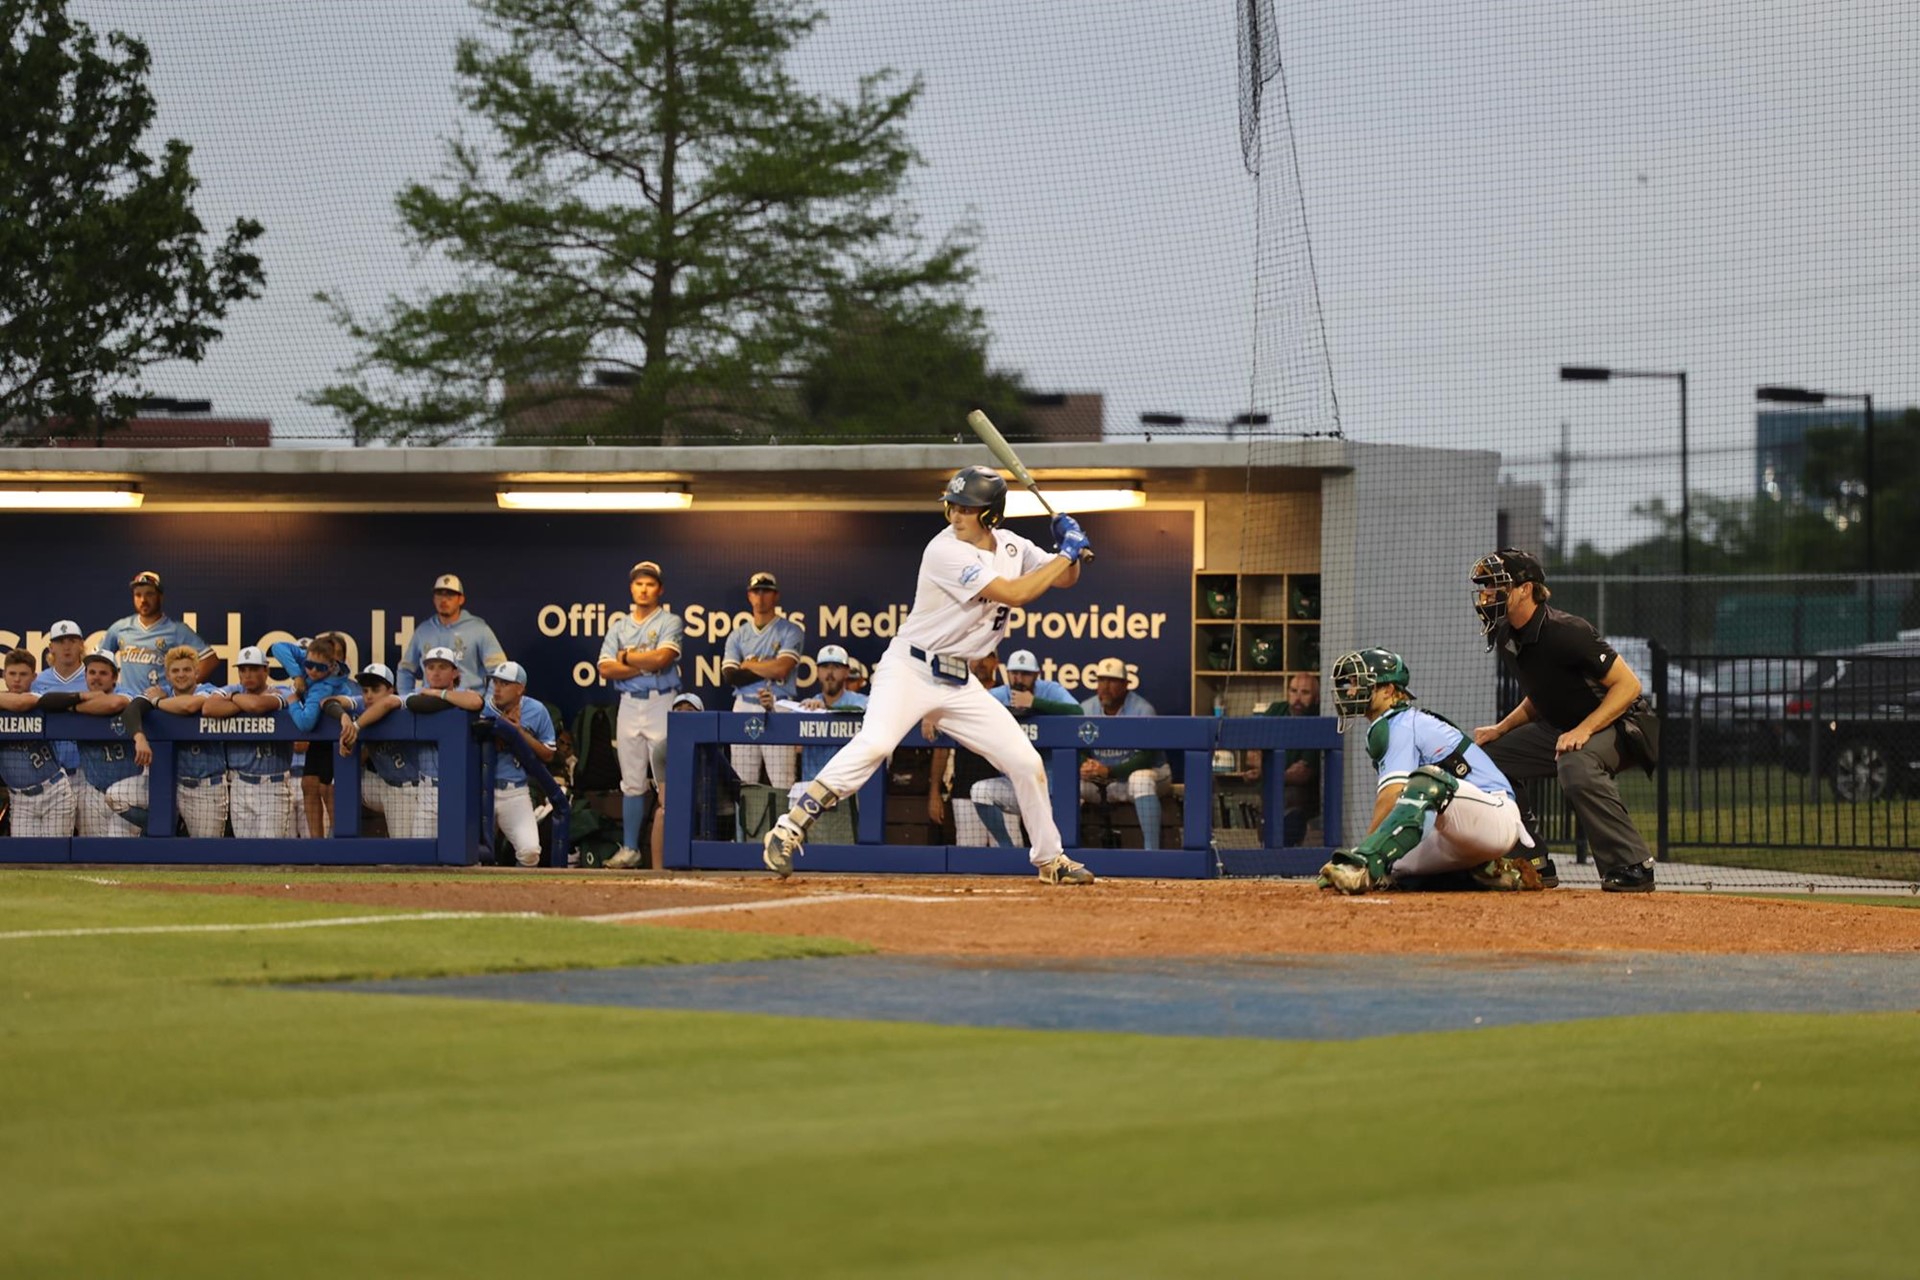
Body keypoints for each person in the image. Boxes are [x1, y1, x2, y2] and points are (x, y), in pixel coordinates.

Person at [761, 464, 1096, 885]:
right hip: (910, 668)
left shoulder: (1013, 546)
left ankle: (1050, 859)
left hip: (959, 681)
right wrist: (1067, 552)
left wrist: (1070, 548)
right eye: (952, 506)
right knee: (876, 743)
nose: (955, 514)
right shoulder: (944, 550)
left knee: (1026, 762)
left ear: (990, 514)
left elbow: (1065, 579)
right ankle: (788, 828)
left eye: (966, 508)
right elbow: (1016, 593)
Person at [1469, 548, 1657, 893]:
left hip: (1624, 724)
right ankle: (1531, 862)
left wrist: (1584, 729)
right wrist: (1501, 729)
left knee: (1575, 762)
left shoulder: (1566, 631)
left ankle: (1632, 865)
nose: (1487, 594)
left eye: (1495, 585)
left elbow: (1629, 686)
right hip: (1563, 728)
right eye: (1485, 587)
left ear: (1525, 589)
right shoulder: (1507, 634)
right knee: (1485, 759)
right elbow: (1541, 695)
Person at [1317, 648, 1539, 895]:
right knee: (1392, 865)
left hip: (1494, 815)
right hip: (1454, 832)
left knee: (1426, 784)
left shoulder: (1401, 724)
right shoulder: (1390, 725)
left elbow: (1391, 795)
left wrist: (1361, 857)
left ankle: (1365, 865)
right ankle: (1487, 873)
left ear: (1388, 690)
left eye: (1358, 683)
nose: (1350, 691)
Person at [597, 560, 684, 870]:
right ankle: (630, 848)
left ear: (659, 589)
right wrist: (641, 665)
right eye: (639, 583)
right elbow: (605, 668)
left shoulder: (670, 621)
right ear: (631, 587)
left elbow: (662, 659)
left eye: (650, 584)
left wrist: (626, 658)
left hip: (661, 702)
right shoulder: (620, 626)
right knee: (632, 781)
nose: (644, 589)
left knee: (667, 779)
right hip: (629, 704)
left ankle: (673, 848)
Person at [351, 646, 484, 844]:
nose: (436, 672)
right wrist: (356, 726)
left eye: (442, 667)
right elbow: (388, 703)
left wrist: (438, 694)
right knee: (418, 850)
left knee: (458, 848)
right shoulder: (416, 695)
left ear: (455, 672)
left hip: (459, 786)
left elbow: (476, 702)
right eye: (430, 667)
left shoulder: (463, 695)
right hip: (427, 787)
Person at [967, 655, 1085, 847]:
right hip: (1014, 784)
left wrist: (1035, 702)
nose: (1019, 679)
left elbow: (1078, 712)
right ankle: (1007, 849)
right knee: (980, 791)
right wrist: (932, 717)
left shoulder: (1050, 690)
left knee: (1058, 843)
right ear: (1007, 673)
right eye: (1014, 673)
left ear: (1036, 675)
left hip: (1052, 789)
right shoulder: (999, 694)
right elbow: (966, 708)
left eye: (1025, 674)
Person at [271, 633, 363, 838]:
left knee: (329, 790)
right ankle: (317, 844)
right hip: (320, 740)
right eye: (309, 665)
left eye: (319, 667)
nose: (312, 670)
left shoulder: (324, 686)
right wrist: (297, 675)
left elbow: (305, 723)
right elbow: (277, 647)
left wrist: (293, 700)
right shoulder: (311, 662)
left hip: (340, 739)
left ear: (333, 664)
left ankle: (339, 843)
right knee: (309, 784)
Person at [722, 571, 804, 791]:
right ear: (749, 596)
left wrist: (748, 665)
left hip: (778, 706)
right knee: (743, 781)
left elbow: (782, 668)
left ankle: (784, 817)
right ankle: (745, 817)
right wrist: (768, 666)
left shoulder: (791, 630)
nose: (761, 596)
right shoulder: (738, 635)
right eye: (756, 591)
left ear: (776, 595)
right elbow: (731, 675)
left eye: (766, 591)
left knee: (783, 781)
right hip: (744, 705)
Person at [1078, 656, 1171, 850]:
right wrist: (1084, 765)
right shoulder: (1085, 709)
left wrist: (1109, 771)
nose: (1105, 687)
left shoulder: (1142, 710)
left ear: (1126, 685)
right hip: (1104, 781)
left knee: (1140, 779)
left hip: (1147, 775)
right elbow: (1077, 748)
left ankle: (1152, 854)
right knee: (1069, 784)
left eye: (1112, 681)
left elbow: (1145, 757)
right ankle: (1066, 852)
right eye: (1101, 680)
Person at [205, 646, 297, 840]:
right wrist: (240, 701)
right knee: (244, 850)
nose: (248, 674)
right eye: (243, 669)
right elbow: (208, 708)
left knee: (270, 849)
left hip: (272, 785)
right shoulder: (232, 689)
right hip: (239, 783)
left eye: (254, 669)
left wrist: (234, 699)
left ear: (266, 670)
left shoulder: (282, 690)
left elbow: (257, 706)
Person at [148, 644, 230, 838]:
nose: (181, 675)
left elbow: (189, 706)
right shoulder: (163, 691)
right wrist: (155, 698)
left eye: (186, 670)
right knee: (158, 843)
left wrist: (157, 703)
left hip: (206, 787)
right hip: (168, 785)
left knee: (205, 851)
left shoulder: (209, 690)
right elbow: (138, 703)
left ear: (196, 673)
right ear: (168, 675)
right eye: (175, 671)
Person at [481, 661, 558, 867]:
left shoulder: (536, 710)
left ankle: (517, 889)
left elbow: (549, 754)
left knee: (530, 852)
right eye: (495, 682)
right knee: (471, 854)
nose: (497, 688)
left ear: (520, 689)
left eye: (505, 684)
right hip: (480, 790)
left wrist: (518, 733)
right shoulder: (481, 708)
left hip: (514, 791)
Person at [72, 651, 152, 837]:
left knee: (121, 850)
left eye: (103, 673)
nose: (96, 677)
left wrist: (74, 707)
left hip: (127, 792)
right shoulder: (79, 696)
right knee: (95, 851)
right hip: (93, 791)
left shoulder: (127, 694)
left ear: (114, 677)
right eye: (92, 672)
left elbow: (113, 704)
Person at [0, 649, 78, 837]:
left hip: (54, 792)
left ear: (34, 677)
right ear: (3, 675)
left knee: (55, 853)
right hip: (19, 799)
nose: (17, 679)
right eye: (12, 674)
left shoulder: (41, 697)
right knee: (25, 854)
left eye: (23, 674)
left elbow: (20, 703)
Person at [100, 570, 217, 695]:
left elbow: (210, 659)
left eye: (149, 594)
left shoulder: (175, 630)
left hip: (160, 702)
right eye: (138, 595)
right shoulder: (121, 627)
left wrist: (181, 690)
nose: (143, 600)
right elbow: (98, 660)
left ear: (160, 597)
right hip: (128, 701)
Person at [1240, 672, 1323, 844]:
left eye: (1305, 693)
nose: (1297, 698)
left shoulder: (1318, 718)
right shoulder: (1277, 710)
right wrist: (1271, 771)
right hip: (1272, 786)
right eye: (1293, 691)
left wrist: (1264, 772)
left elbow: (1302, 773)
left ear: (1316, 698)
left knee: (1287, 797)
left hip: (1304, 793)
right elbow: (1252, 754)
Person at [397, 574, 508, 695]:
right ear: (434, 599)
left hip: (467, 701)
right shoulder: (423, 630)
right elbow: (405, 669)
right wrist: (406, 699)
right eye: (439, 594)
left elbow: (499, 670)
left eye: (450, 595)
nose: (444, 600)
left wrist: (487, 702)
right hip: (431, 701)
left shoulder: (479, 629)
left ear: (461, 599)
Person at [31, 619, 89, 791]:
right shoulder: (39, 681)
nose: (66, 647)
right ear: (51, 647)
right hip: (51, 773)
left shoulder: (93, 678)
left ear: (81, 645)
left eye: (72, 641)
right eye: (60, 641)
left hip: (86, 770)